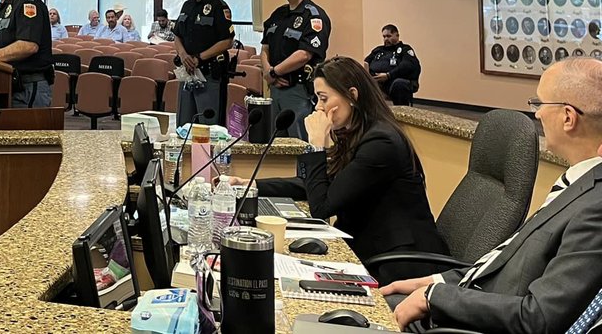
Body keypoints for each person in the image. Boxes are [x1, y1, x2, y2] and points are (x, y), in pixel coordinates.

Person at [383, 58, 602, 334]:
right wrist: (435, 282)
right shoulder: (578, 183)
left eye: (540, 104)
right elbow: (505, 266)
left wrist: (436, 297)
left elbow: (538, 318)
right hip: (467, 304)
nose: (536, 114)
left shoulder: (596, 207)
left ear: (568, 117)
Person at [233, 57, 446, 285]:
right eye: (316, 99)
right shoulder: (360, 132)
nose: (318, 107)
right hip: (373, 248)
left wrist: (316, 145)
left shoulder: (381, 142)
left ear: (352, 95)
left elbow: (322, 207)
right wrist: (252, 184)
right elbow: (323, 183)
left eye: (324, 99)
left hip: (400, 262)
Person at [261, 0, 330, 139]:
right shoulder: (278, 14)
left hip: (297, 89)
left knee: (299, 143)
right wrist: (268, 73)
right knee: (275, 142)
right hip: (275, 87)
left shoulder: (314, 16)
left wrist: (274, 72)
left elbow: (304, 54)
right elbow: (265, 48)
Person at [173, 0, 236, 126]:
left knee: (208, 124)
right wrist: (183, 55)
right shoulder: (187, 5)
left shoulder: (218, 7)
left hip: (209, 72)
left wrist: (199, 58)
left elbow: (227, 41)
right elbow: (177, 35)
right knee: (185, 124)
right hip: (187, 72)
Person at [364, 24, 421, 105]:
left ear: (397, 35)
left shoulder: (405, 49)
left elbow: (407, 66)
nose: (386, 39)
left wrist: (388, 75)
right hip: (375, 81)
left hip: (394, 81)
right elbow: (366, 62)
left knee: (399, 84)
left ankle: (402, 114)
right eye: (384, 37)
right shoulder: (378, 50)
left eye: (389, 36)